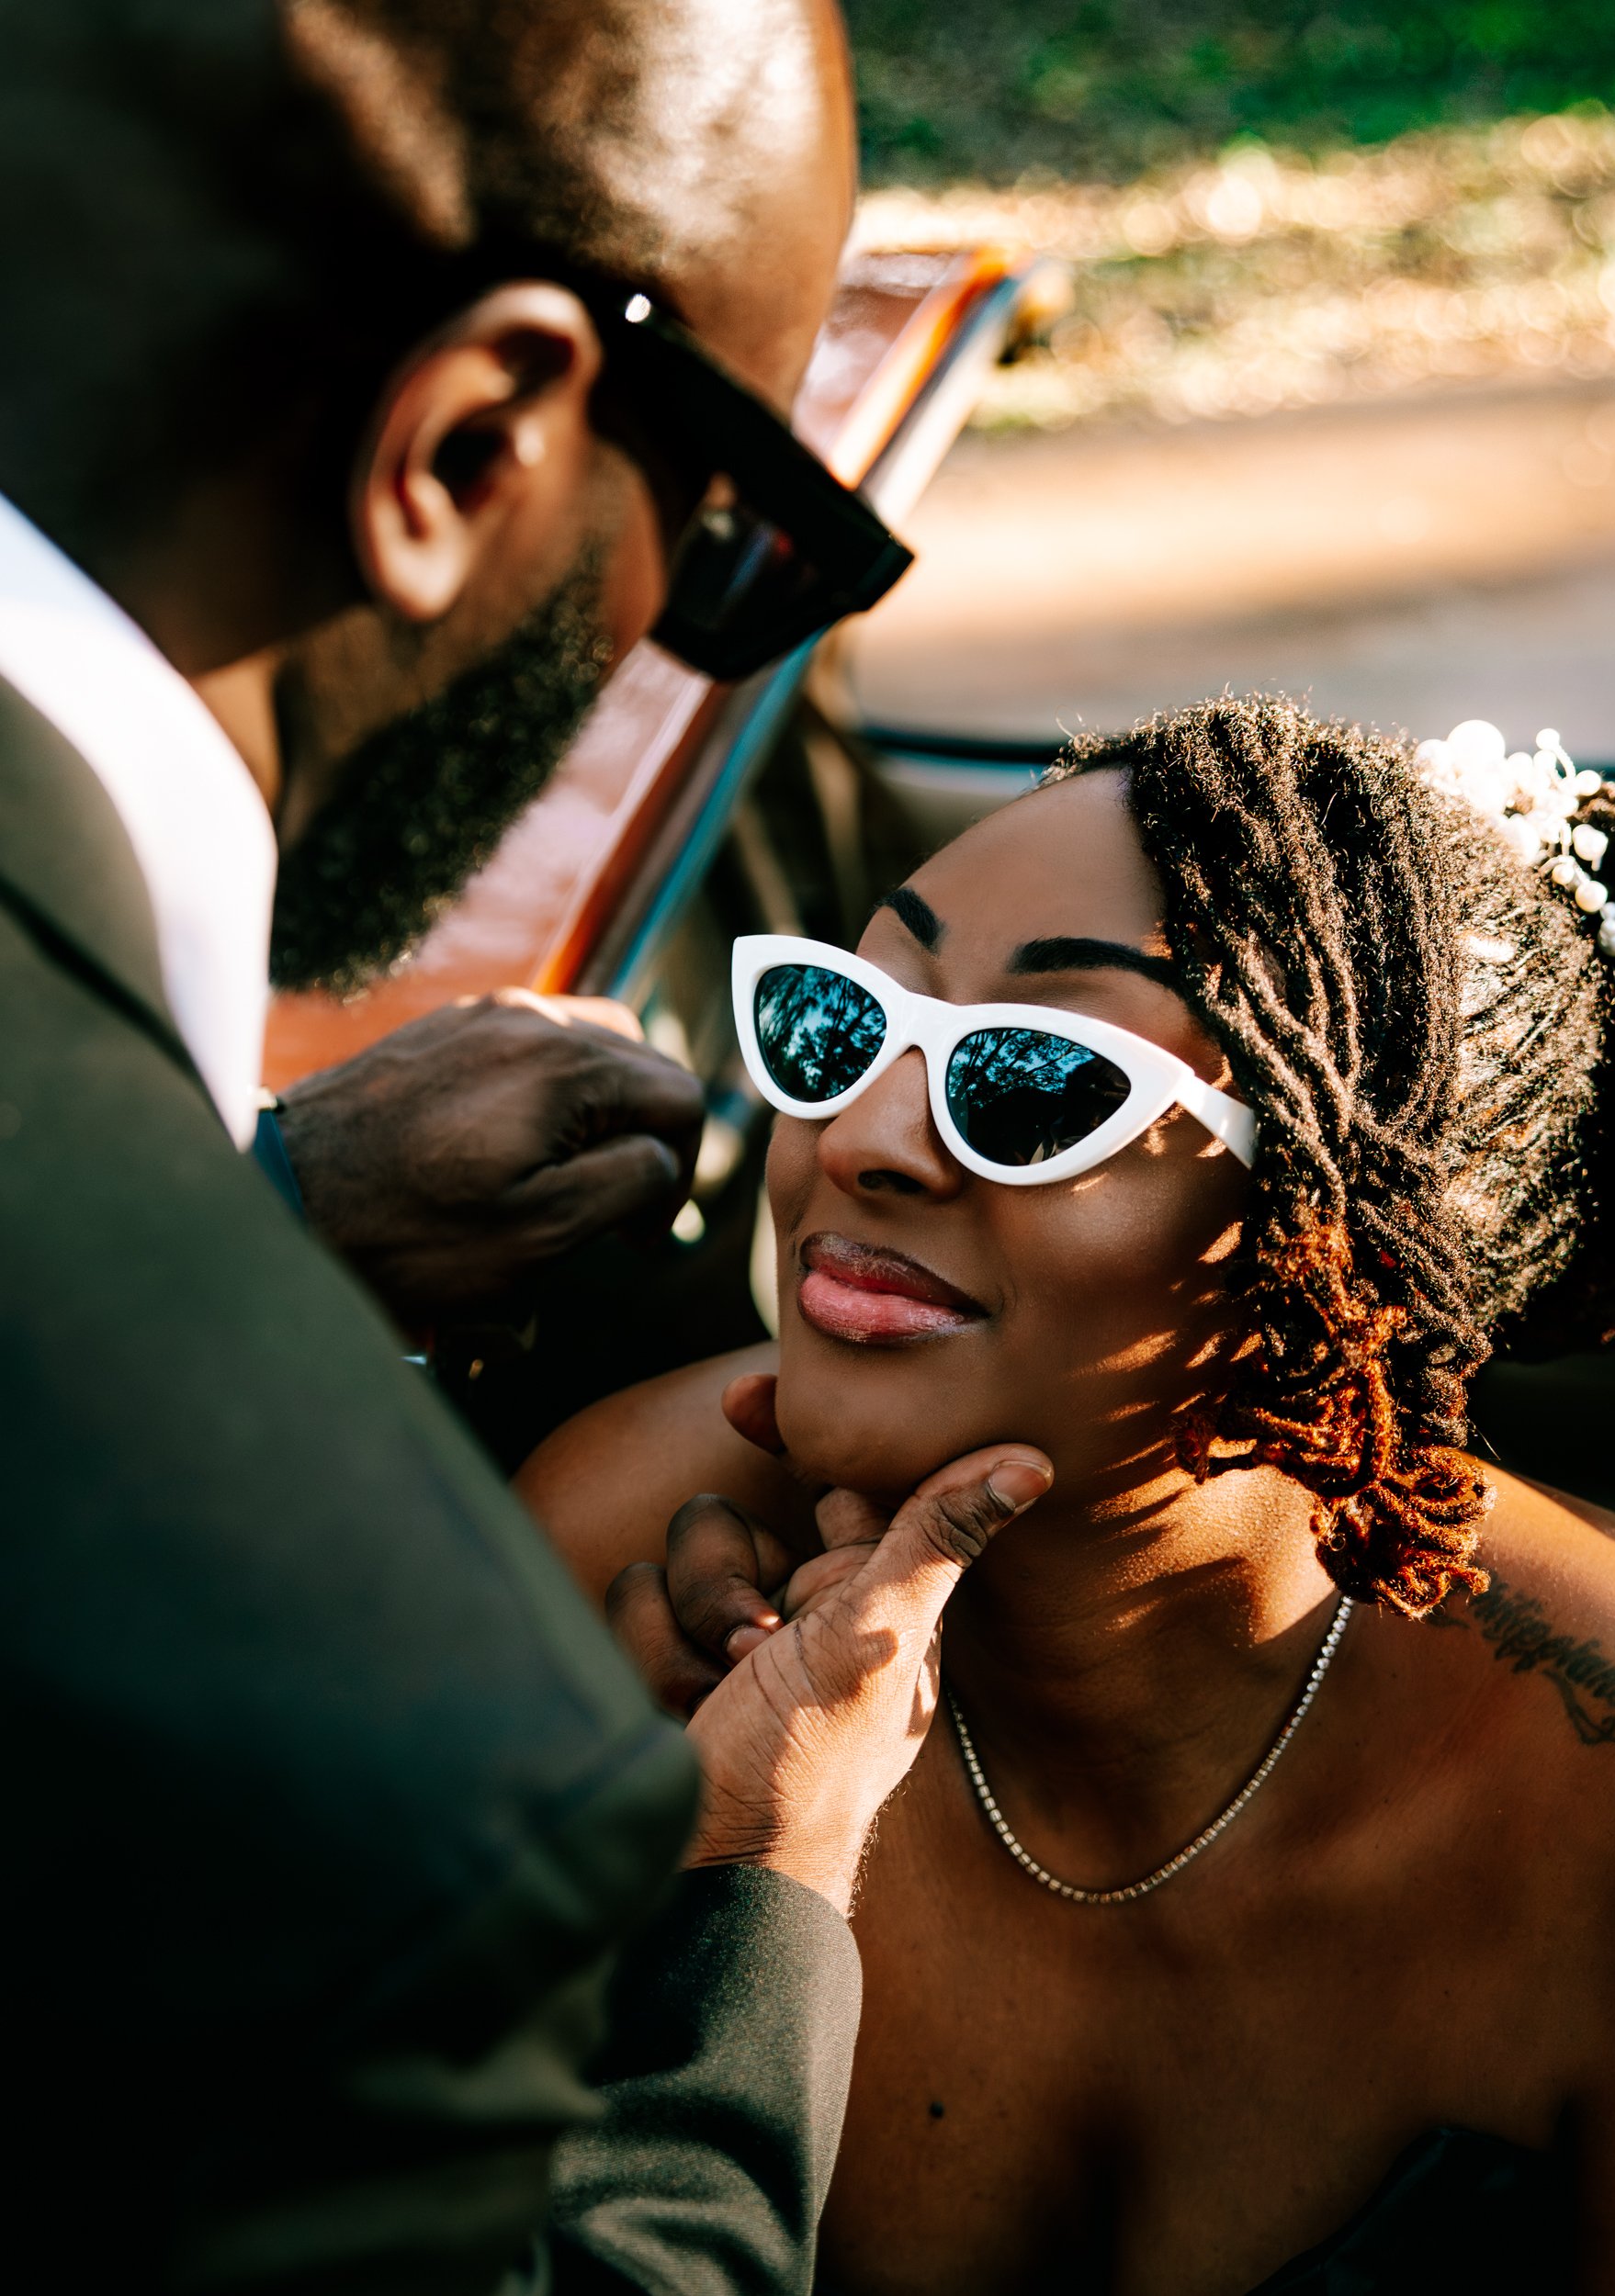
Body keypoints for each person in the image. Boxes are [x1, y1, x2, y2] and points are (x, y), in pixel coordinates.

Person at [0, 5, 1044, 2288]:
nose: (875, 1135)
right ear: (467, 442)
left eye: (1036, 1076)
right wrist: (749, 1908)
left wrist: (260, 1206)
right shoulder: (396, 1763)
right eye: (730, 538)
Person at [525, 693, 1615, 2292]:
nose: (857, 1138)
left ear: (1348, 1236)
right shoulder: (625, 1561)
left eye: (1033, 1081)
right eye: (837, 1019)